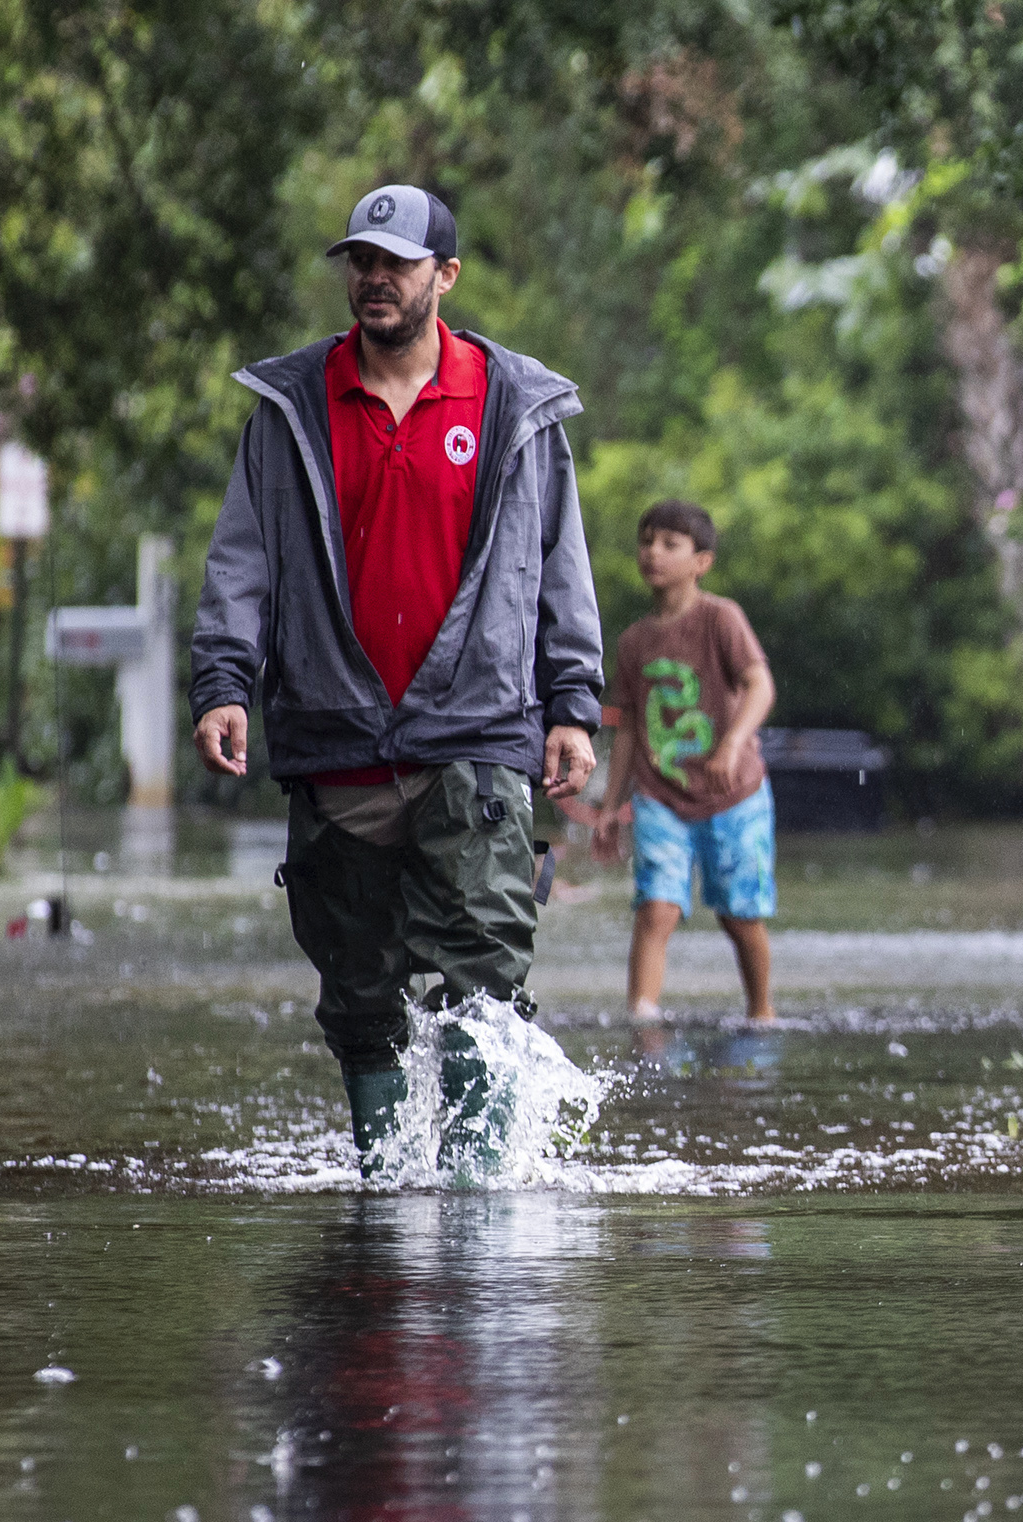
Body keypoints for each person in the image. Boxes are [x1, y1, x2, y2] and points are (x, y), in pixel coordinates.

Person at [191, 183, 605, 1174]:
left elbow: (561, 561)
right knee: (359, 990)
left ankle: (475, 1193)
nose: (373, 280)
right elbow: (242, 557)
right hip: (335, 731)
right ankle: (385, 1185)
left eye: (395, 264)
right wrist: (222, 682)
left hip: (477, 727)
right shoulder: (293, 407)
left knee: (486, 973)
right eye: (361, 263)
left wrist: (573, 705)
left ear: (443, 278)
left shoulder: (516, 403)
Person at [593, 499, 779, 1025]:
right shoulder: (633, 642)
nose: (653, 553)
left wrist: (732, 745)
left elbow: (760, 685)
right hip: (661, 796)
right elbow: (628, 728)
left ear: (702, 561)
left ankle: (762, 1014)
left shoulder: (721, 618)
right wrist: (610, 806)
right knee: (657, 908)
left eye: (670, 544)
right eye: (646, 541)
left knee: (740, 916)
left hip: (734, 793)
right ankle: (642, 1020)